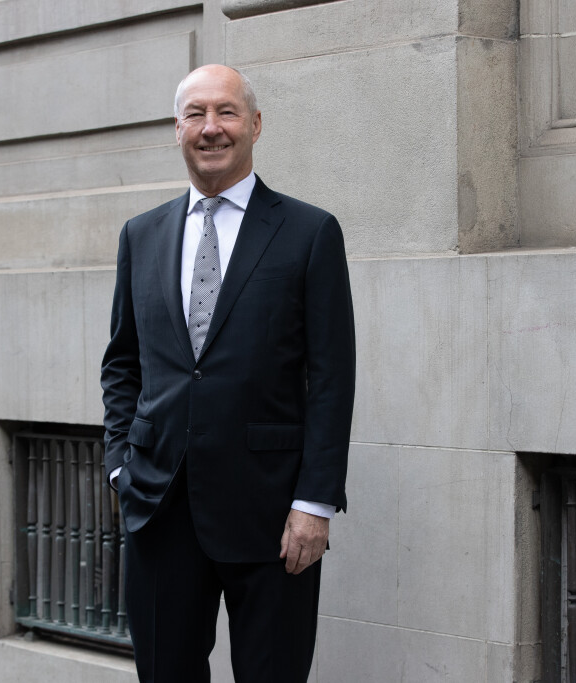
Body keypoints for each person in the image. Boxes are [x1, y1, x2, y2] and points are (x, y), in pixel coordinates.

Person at [101, 63, 356, 683]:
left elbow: (331, 378)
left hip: (273, 518)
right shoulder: (141, 235)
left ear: (256, 125)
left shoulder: (309, 232)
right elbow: (123, 363)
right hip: (159, 509)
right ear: (178, 129)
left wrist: (314, 503)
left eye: (227, 112)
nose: (210, 127)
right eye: (195, 114)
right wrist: (120, 465)